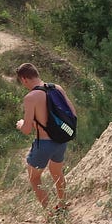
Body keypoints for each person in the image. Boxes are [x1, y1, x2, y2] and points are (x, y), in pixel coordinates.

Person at [14, 62, 74, 213]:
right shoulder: (56, 88)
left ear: (24, 79)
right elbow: (73, 113)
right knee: (57, 173)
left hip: (44, 144)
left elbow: (27, 129)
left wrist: (21, 124)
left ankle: (49, 212)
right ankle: (62, 204)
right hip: (61, 141)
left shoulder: (31, 97)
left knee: (34, 179)